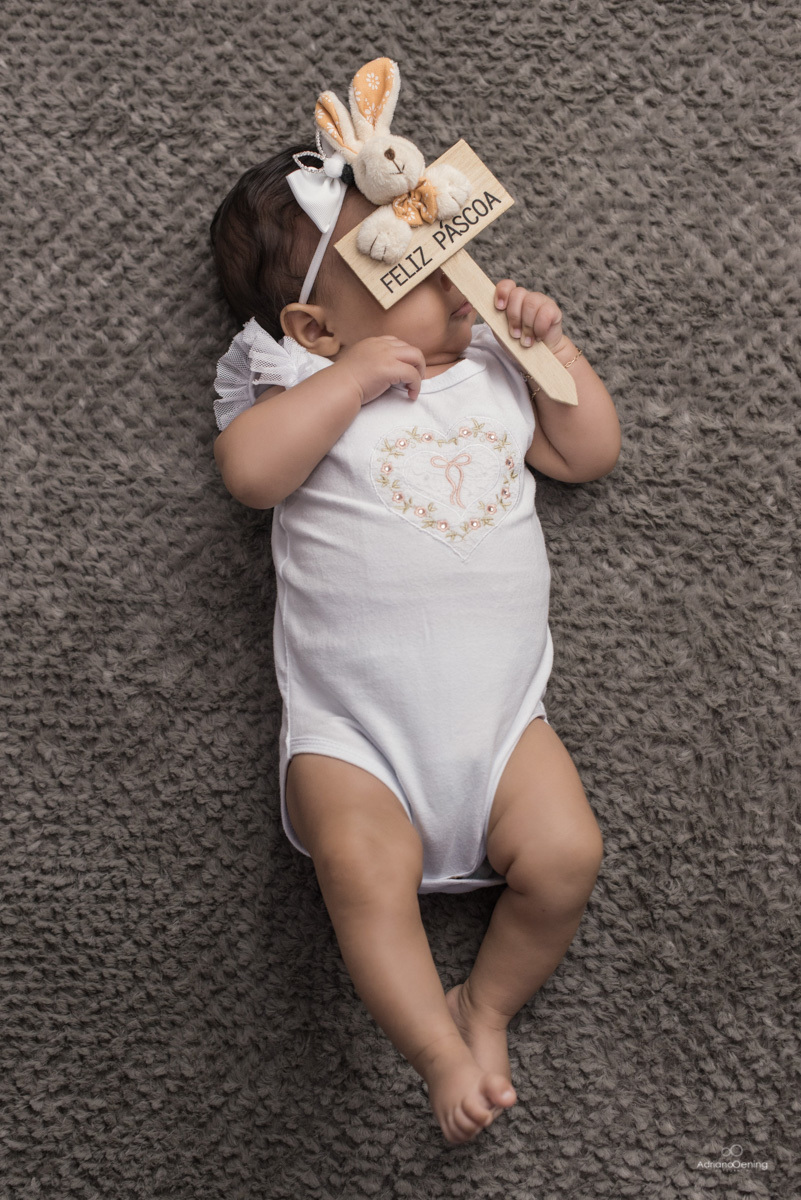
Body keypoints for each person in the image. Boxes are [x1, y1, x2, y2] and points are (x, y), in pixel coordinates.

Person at [209, 144, 621, 1145]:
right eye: (406, 268)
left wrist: (551, 354)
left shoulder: (489, 372)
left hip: (501, 726)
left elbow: (586, 453)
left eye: (446, 251)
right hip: (358, 741)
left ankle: (484, 1006)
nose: (452, 278)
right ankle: (436, 1046)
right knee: (359, 871)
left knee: (569, 854)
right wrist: (344, 383)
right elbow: (251, 476)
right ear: (315, 323)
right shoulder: (296, 381)